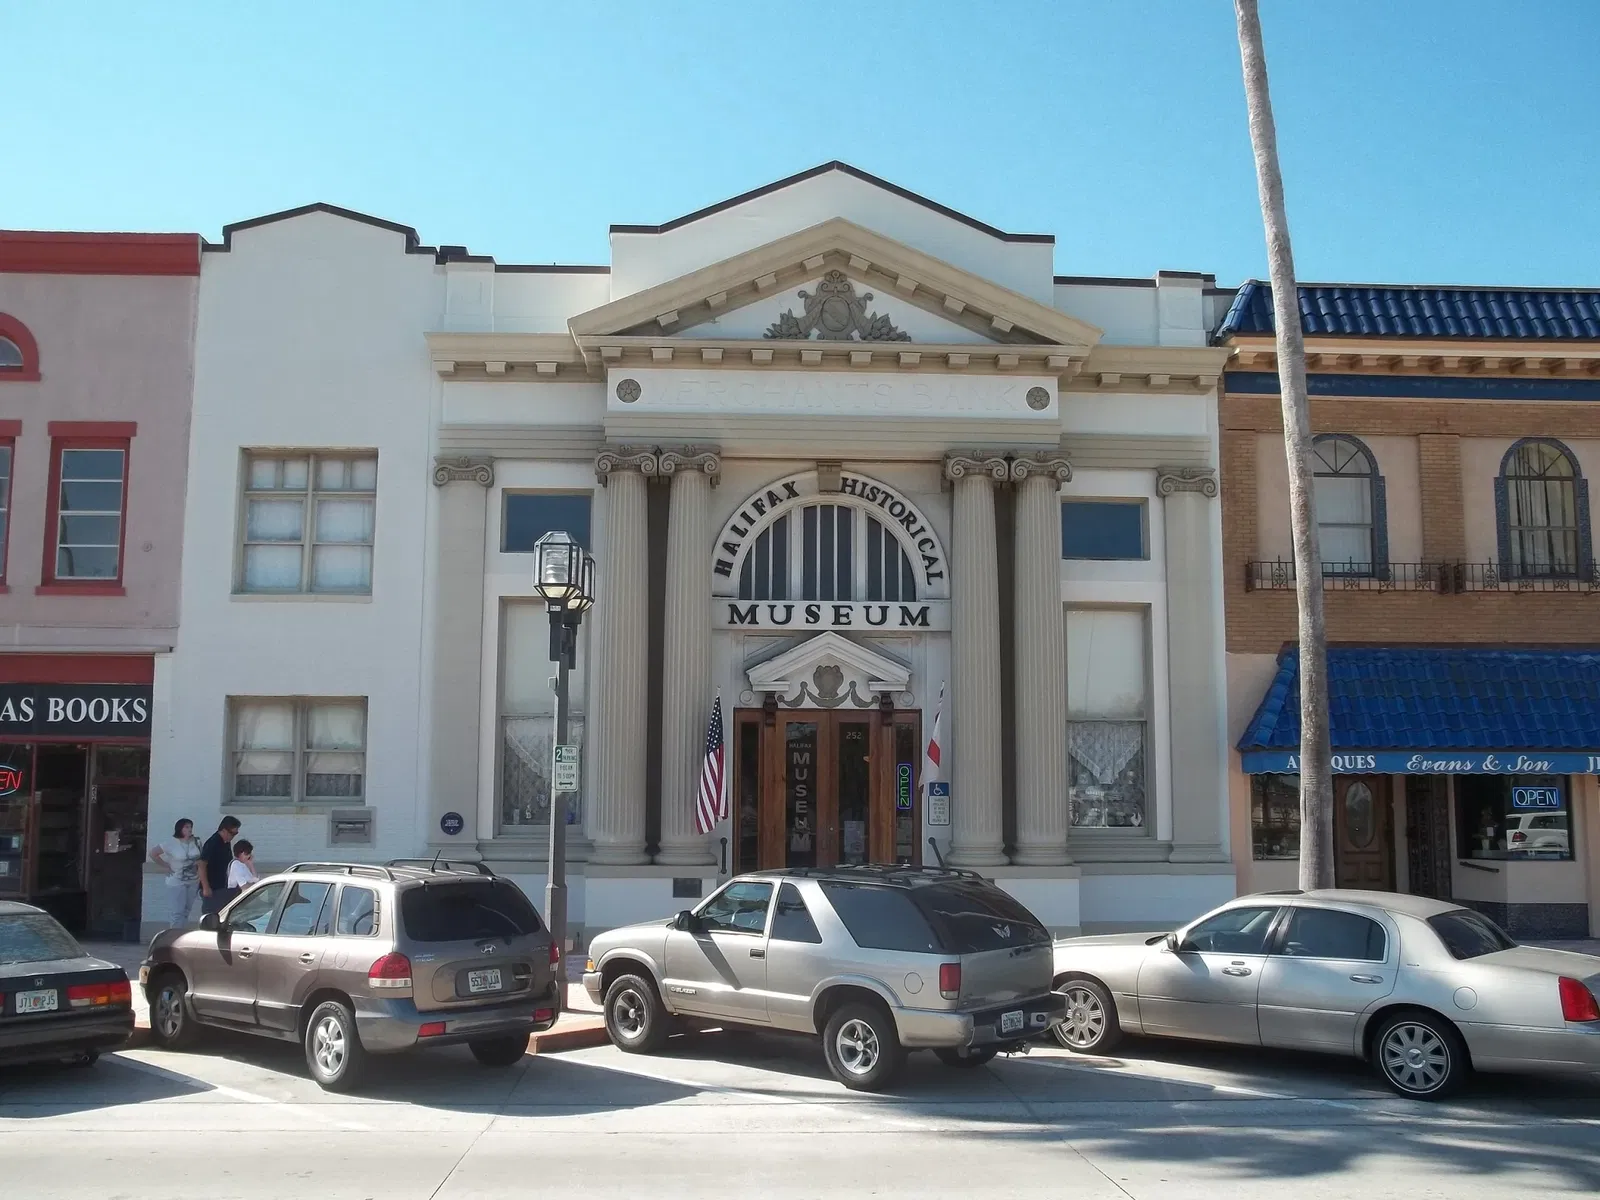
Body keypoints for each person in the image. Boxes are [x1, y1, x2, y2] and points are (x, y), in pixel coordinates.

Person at [149, 818, 202, 928]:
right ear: (180, 828)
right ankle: (174, 936)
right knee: (177, 912)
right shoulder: (171, 843)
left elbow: (200, 859)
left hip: (193, 880)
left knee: (186, 911)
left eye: (190, 827)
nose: (189, 829)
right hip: (177, 881)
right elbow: (153, 853)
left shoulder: (196, 841)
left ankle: (182, 934)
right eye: (186, 827)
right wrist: (166, 866)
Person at [198, 816, 242, 915]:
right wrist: (206, 887)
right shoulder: (213, 843)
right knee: (211, 915)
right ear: (224, 830)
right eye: (232, 833)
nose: (233, 836)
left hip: (222, 887)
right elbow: (201, 864)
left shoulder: (226, 843)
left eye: (236, 833)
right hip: (212, 888)